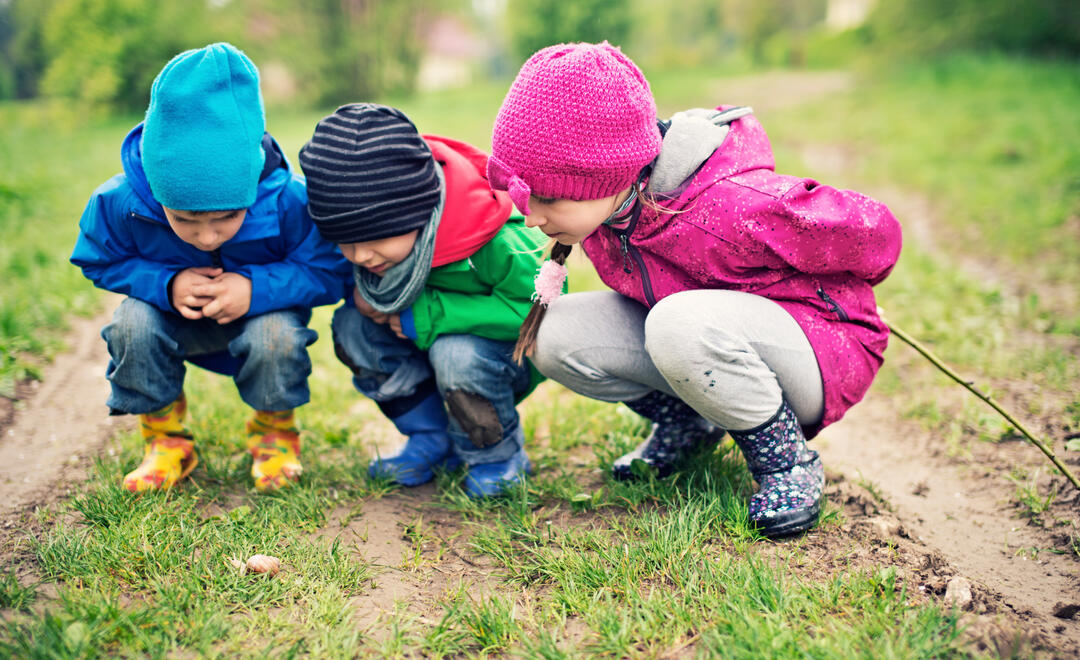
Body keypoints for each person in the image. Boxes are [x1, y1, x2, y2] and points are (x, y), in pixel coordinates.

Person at [486, 42, 902, 536]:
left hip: (821, 348)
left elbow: (878, 233)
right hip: (705, 342)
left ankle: (787, 462)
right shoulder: (609, 214)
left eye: (549, 198)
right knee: (553, 333)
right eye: (527, 196)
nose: (531, 216)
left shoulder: (731, 207)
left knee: (676, 322)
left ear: (608, 174)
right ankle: (691, 425)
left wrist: (839, 291)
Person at [71, 43, 350, 493]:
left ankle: (274, 436)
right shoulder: (121, 201)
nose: (207, 237)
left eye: (226, 218)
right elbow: (99, 258)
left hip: (261, 318)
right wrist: (166, 283)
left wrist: (256, 289)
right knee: (131, 324)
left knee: (276, 335)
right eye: (183, 220)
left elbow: (329, 269)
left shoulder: (289, 200)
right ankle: (165, 442)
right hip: (172, 318)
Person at [298, 104, 549, 498]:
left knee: (456, 354)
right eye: (346, 243)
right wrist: (361, 295)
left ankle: (497, 454)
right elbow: (323, 271)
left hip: (499, 357)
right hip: (425, 348)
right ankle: (432, 438)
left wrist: (429, 313)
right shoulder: (372, 246)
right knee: (352, 326)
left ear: (417, 213)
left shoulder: (494, 237)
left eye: (374, 239)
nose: (361, 256)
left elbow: (537, 313)